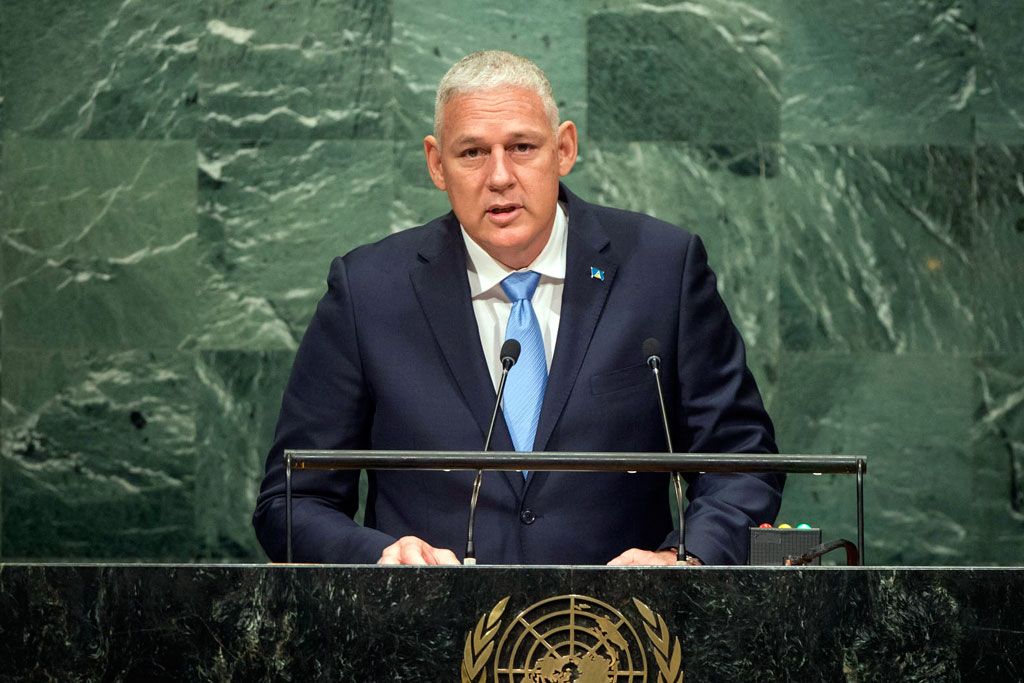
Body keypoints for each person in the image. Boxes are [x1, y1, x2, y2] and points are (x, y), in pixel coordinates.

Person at [253, 51, 782, 566]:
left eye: (523, 147)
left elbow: (742, 462)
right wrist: (380, 556)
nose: (500, 176)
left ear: (565, 148)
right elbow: (293, 501)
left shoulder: (661, 270)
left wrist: (683, 558)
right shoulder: (369, 292)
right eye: (472, 153)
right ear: (437, 164)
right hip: (425, 637)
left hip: (623, 638)